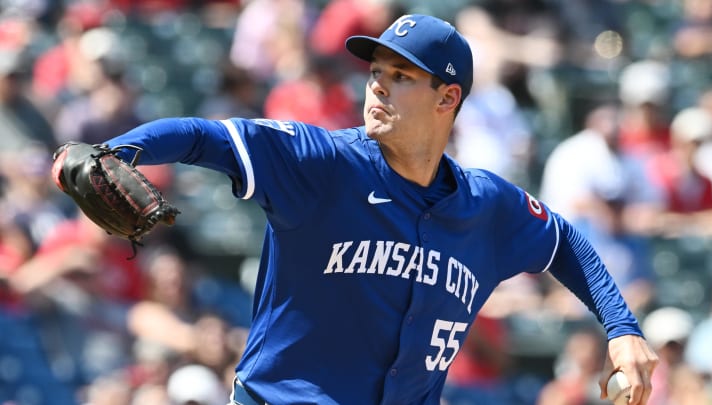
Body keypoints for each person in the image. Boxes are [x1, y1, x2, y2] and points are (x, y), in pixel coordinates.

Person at [69, 14, 658, 405]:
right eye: (376, 72)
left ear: (447, 98)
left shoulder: (488, 204)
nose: (377, 86)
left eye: (400, 76)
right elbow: (203, 136)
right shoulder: (320, 162)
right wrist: (115, 153)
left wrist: (622, 328)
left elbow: (563, 240)